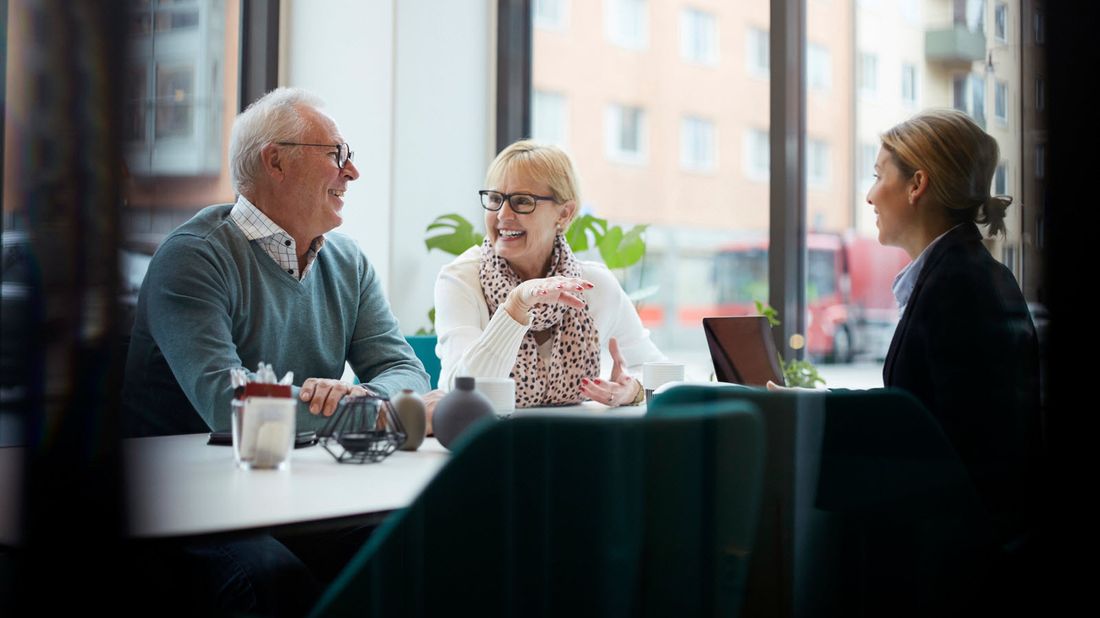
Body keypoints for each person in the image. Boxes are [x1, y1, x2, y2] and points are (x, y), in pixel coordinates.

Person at [121, 87, 430, 617]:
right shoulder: (193, 258)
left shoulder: (348, 261)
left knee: (417, 547)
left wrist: (365, 397)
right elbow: (230, 405)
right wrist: (365, 410)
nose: (352, 172)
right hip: (187, 506)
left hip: (293, 493)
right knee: (270, 583)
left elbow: (406, 371)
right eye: (337, 154)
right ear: (276, 161)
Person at [774, 108, 1040, 599]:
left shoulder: (958, 284)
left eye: (879, 176)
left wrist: (811, 414)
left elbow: (951, 447)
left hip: (953, 569)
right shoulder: (959, 274)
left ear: (917, 184)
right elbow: (929, 417)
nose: (871, 194)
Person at [432, 140, 663, 410]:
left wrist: (632, 389)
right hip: (490, 444)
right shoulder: (461, 279)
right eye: (495, 199)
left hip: (576, 442)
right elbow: (462, 390)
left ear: (564, 214)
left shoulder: (594, 285)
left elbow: (662, 373)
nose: (502, 215)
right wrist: (515, 307)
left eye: (521, 202)